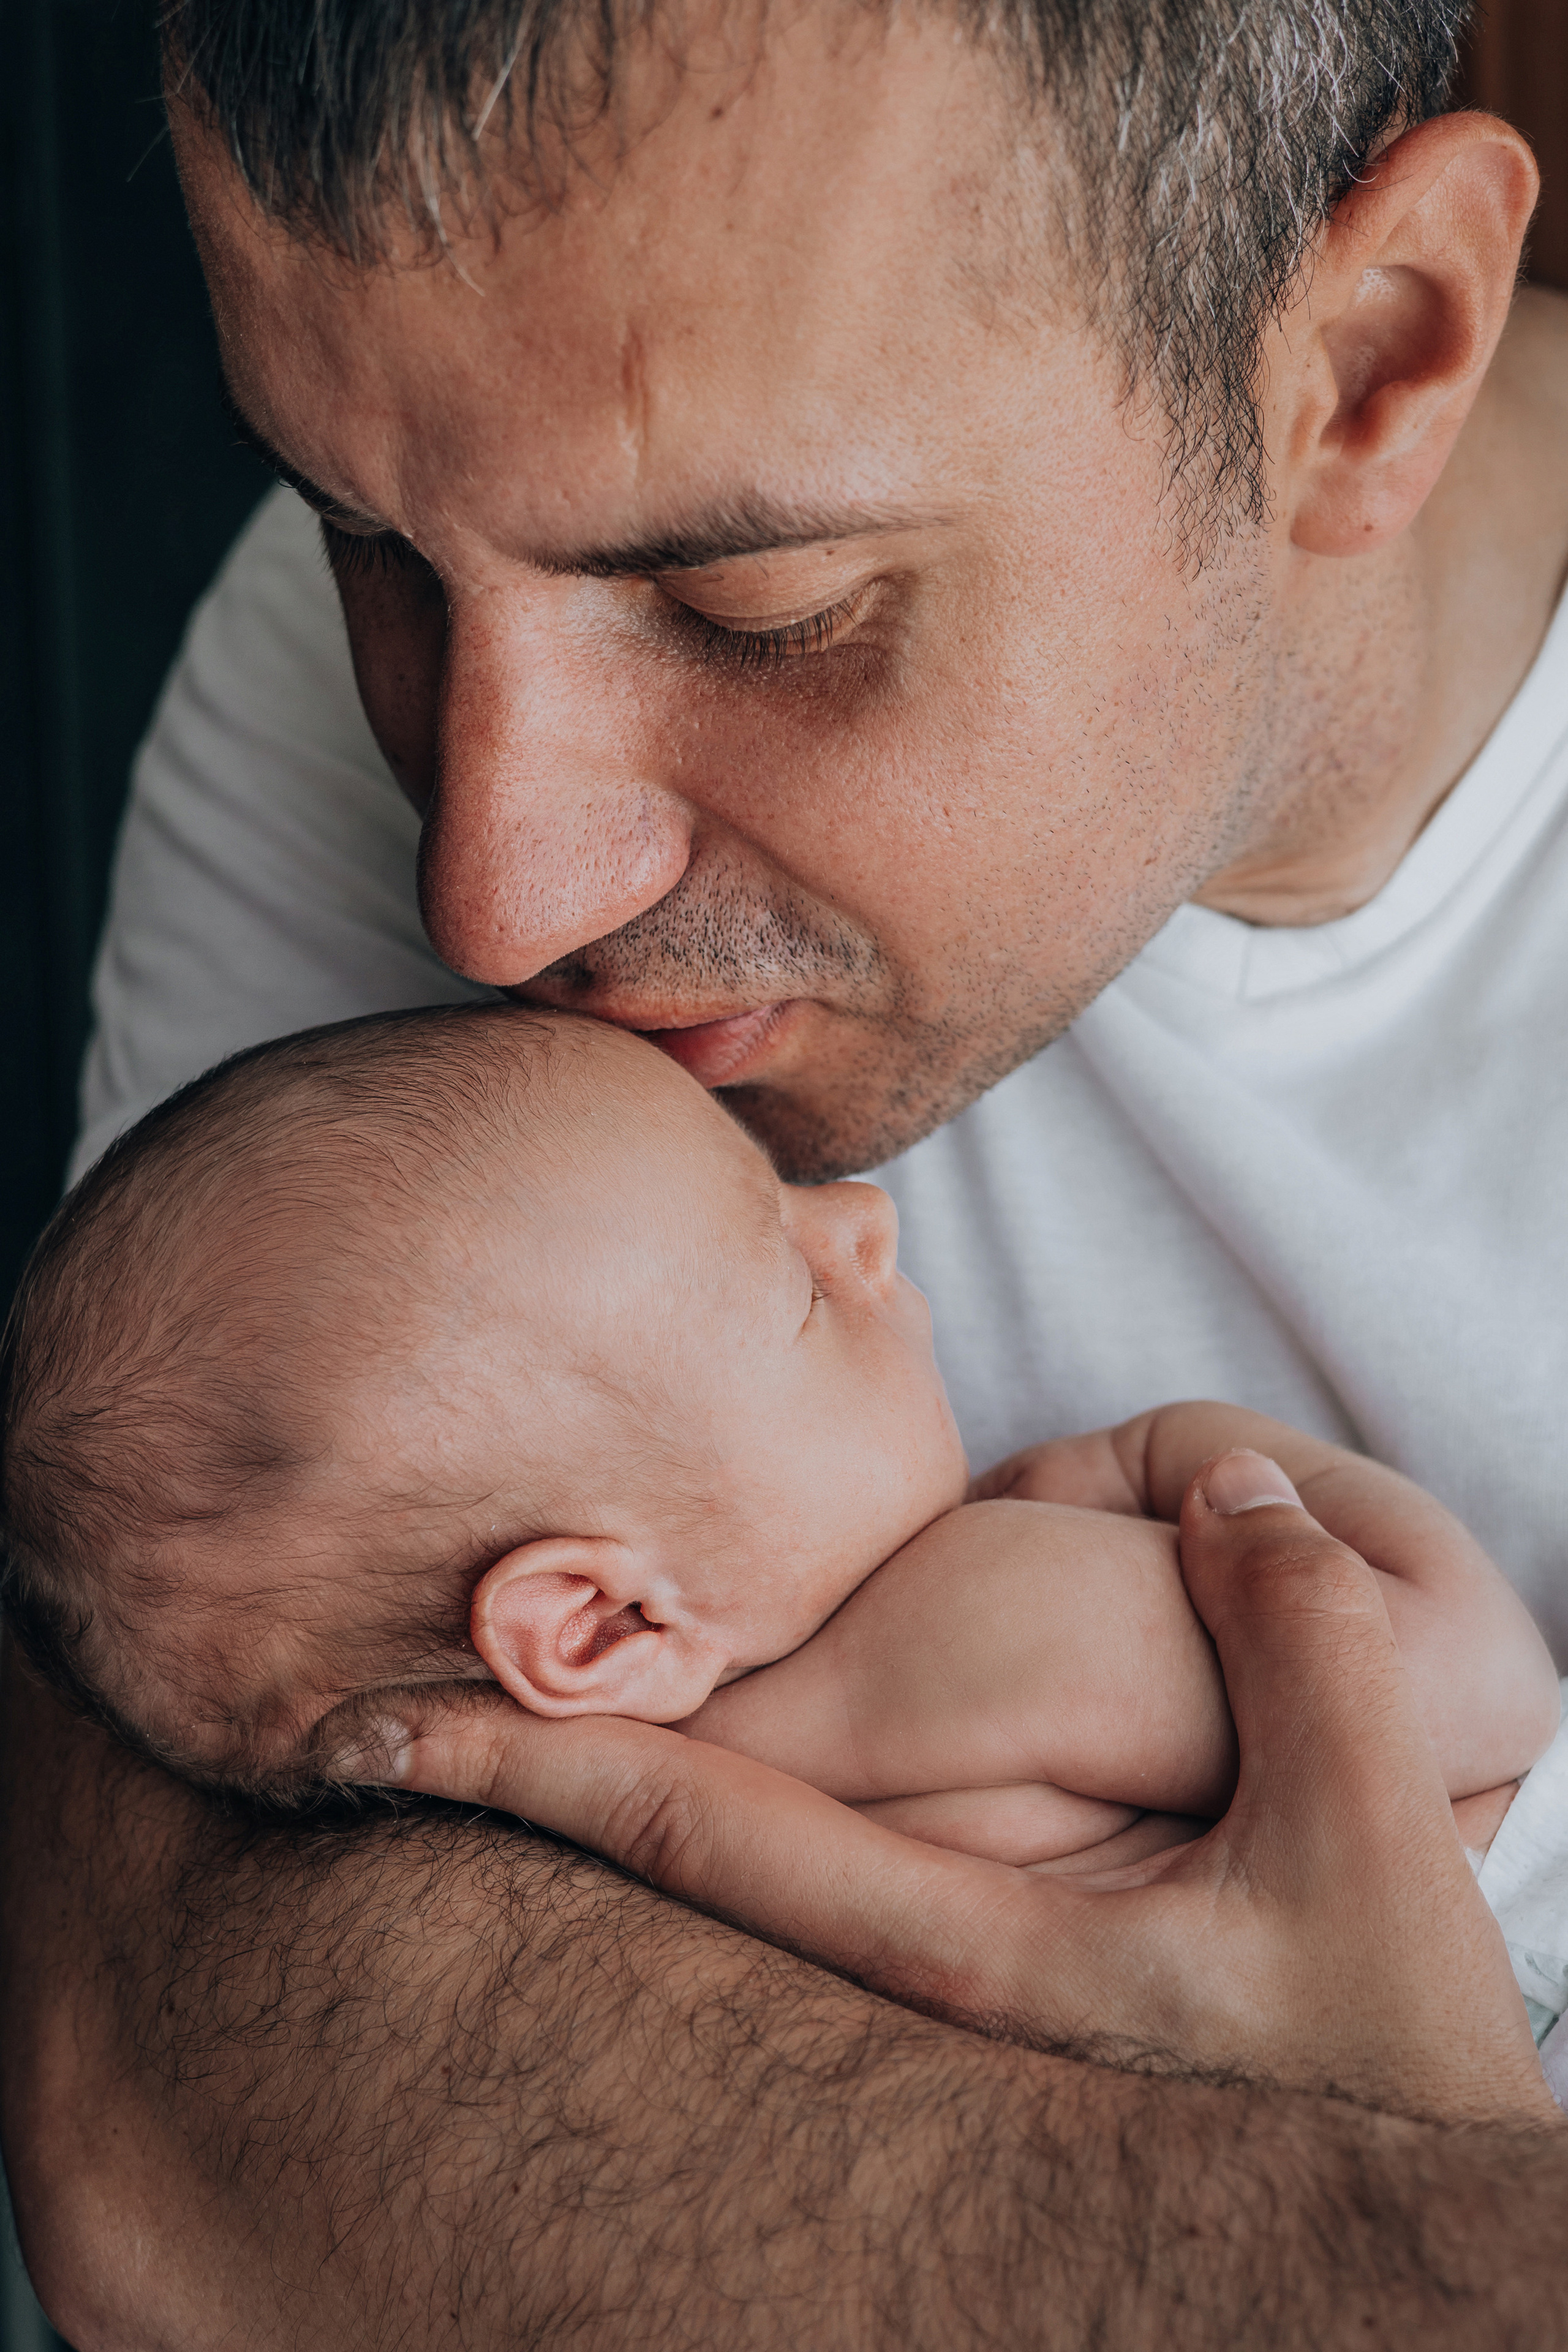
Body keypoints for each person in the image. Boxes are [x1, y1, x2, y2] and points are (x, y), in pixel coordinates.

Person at [6, 0, 1568, 2337]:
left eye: (764, 610)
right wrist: (1417, 2232)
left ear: (1363, 369)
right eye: (366, 548)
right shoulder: (486, 490)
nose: (490, 900)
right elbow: (159, 2116)